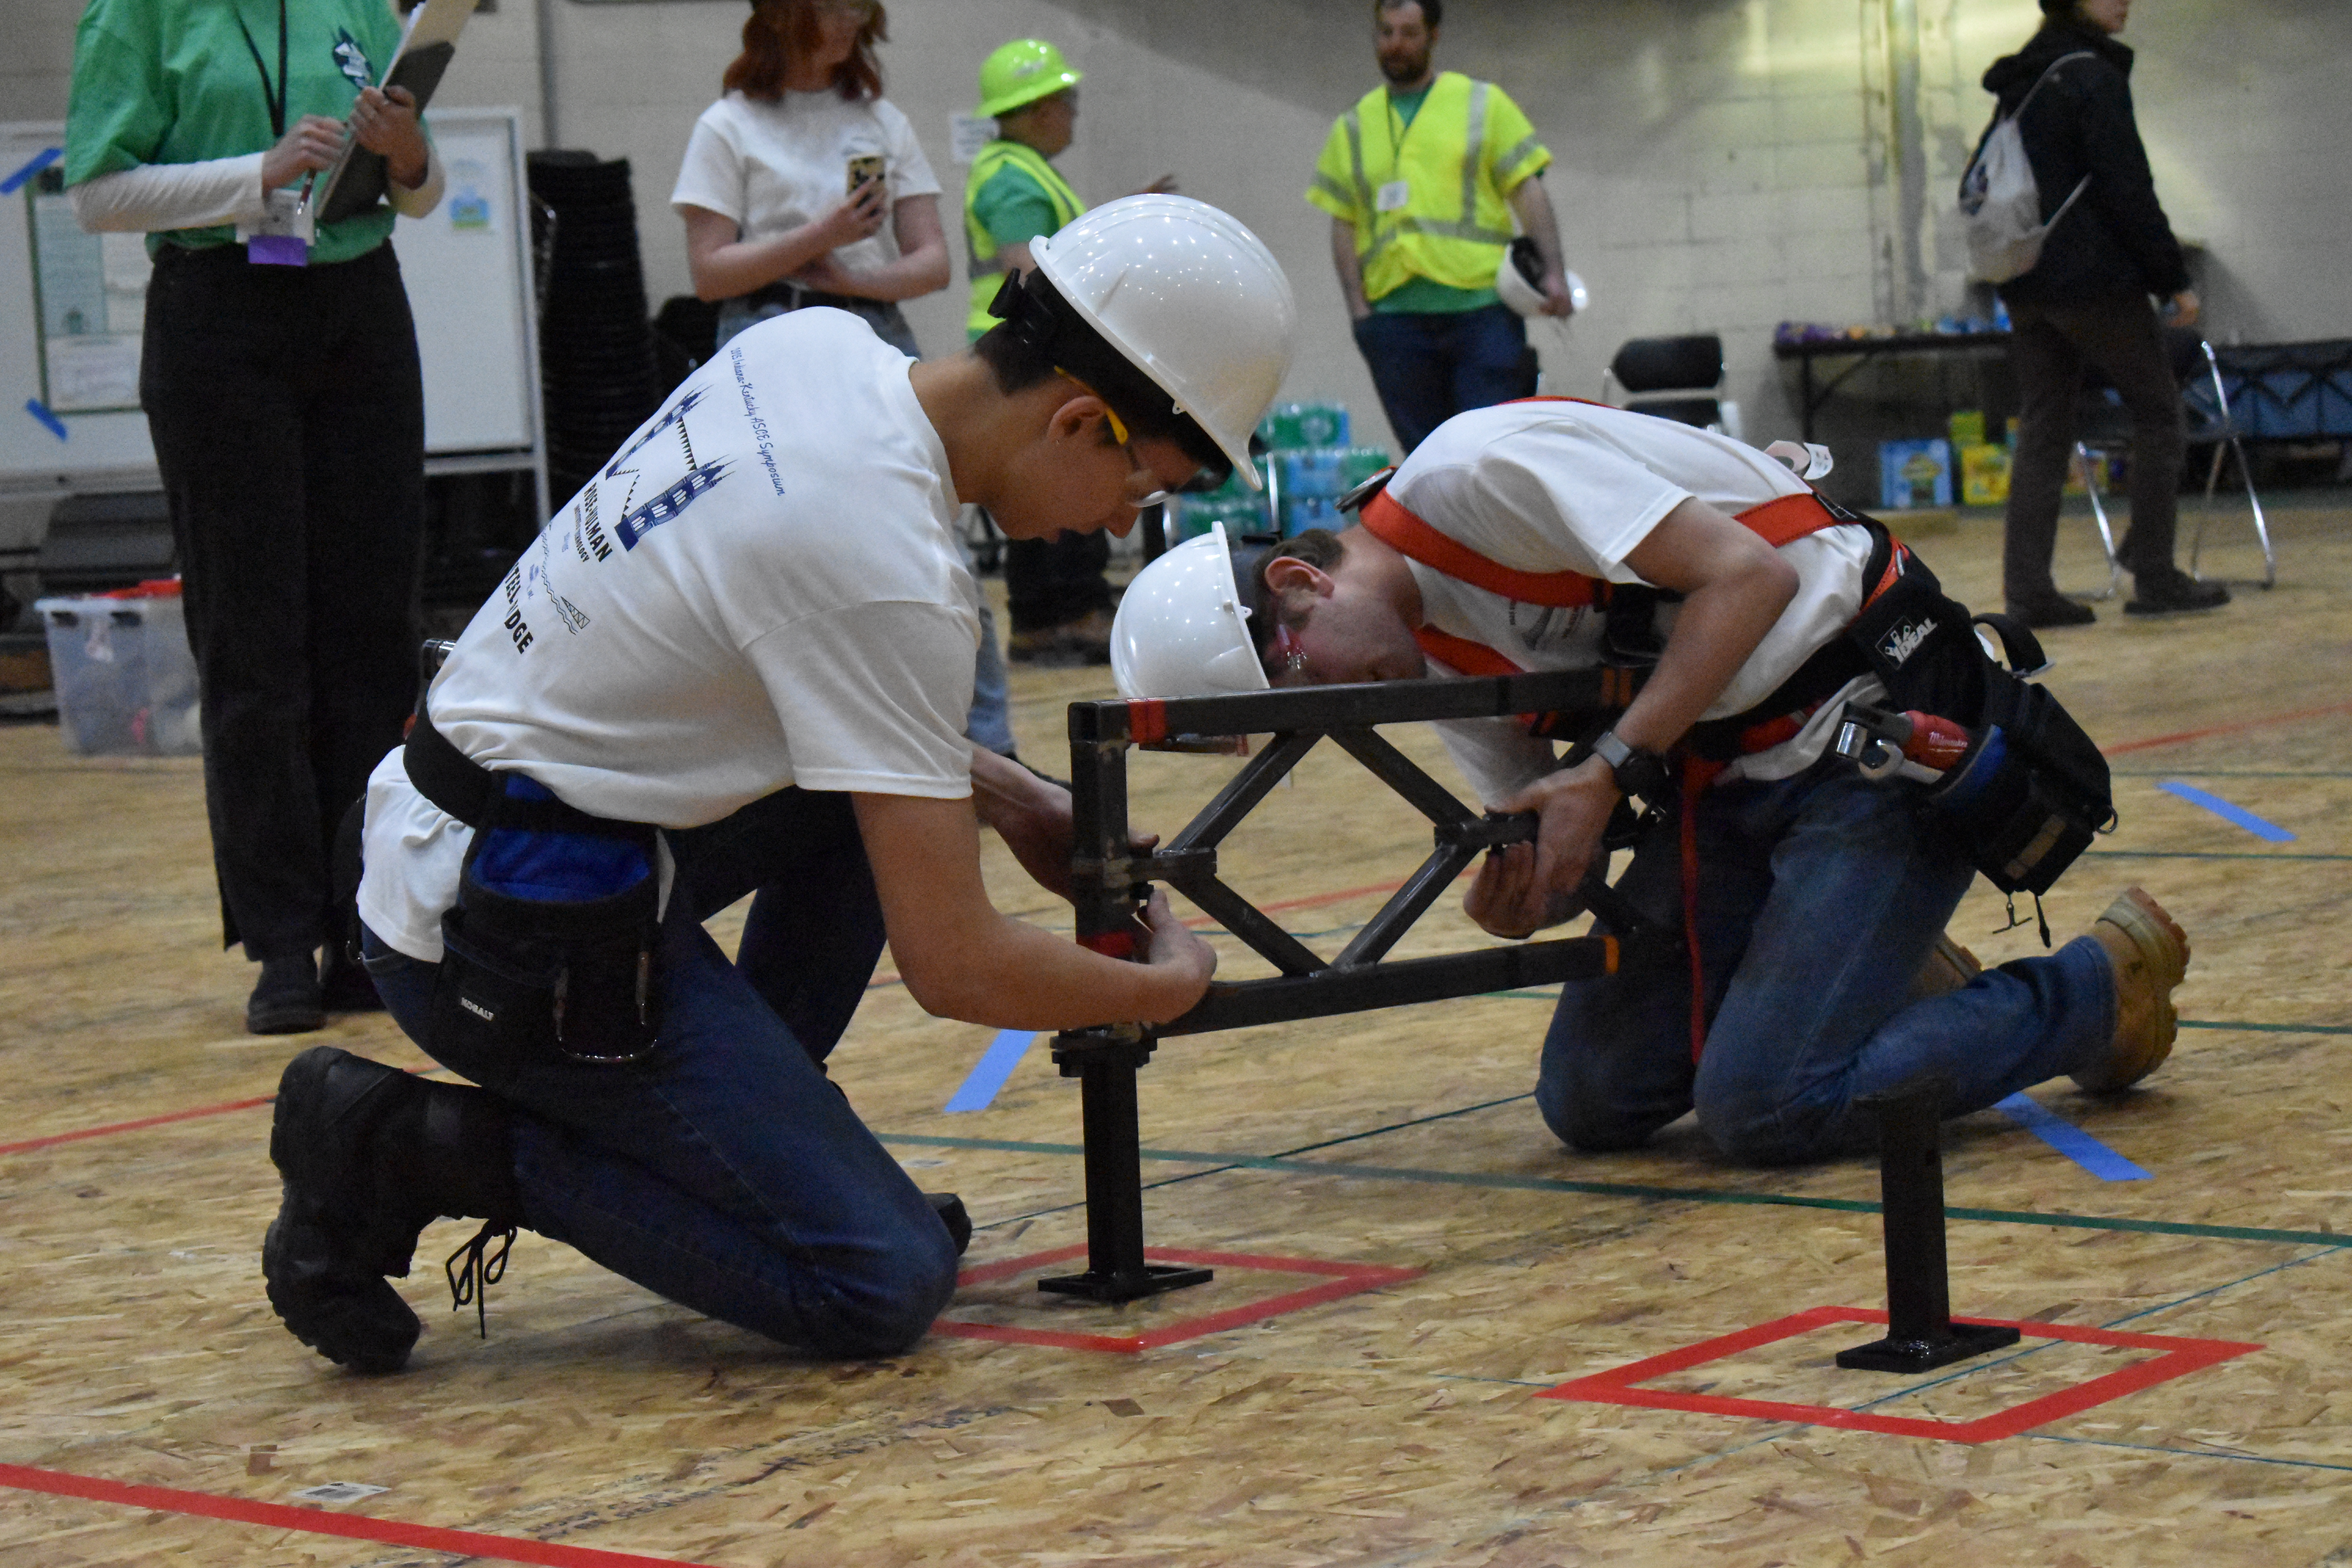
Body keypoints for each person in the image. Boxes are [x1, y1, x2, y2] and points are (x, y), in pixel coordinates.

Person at [259, 195, 1296, 1375]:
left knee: (874, 808)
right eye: (1138, 490)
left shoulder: (811, 351)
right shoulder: (891, 573)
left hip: (464, 818)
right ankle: (405, 1143)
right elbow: (952, 965)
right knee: (875, 1280)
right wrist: (1163, 989)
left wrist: (1011, 799)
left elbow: (805, 660)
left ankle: (759, 1163)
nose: (1120, 521)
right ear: (1076, 421)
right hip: (499, 926)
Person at [1110, 399, 2194, 1167]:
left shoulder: (1478, 473)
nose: (1324, 717)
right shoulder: (1425, 655)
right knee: (1589, 1101)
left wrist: (1611, 766)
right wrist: (1530, 888)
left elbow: (1749, 575)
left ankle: (2093, 990)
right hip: (1724, 789)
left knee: (1767, 1109)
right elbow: (1549, 819)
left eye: (1298, 685)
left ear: (1302, 586)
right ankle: (1865, 965)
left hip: (1875, 741)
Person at [65, 0, 448, 1034]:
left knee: (372, 636)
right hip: (219, 315)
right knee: (253, 643)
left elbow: (421, 195)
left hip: (361, 309)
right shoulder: (136, 15)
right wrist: (259, 173)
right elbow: (97, 192)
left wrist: (409, 155)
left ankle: (369, 923)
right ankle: (282, 936)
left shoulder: (357, 5)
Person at [1981, 0, 2227, 626]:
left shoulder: (2023, 80)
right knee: (2159, 414)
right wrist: (2172, 279)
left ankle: (2029, 591)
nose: (2125, 0)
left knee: (2044, 430)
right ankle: (2155, 575)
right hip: (2095, 282)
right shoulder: (2091, 74)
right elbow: (2127, 185)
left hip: (2026, 279)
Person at [963, 38, 1171, 667]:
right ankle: (1062, 616)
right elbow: (1030, 270)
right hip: (1033, 353)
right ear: (1033, 109)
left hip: (1032, 348)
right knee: (1063, 484)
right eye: (1065, 101)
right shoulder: (1011, 179)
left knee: (1053, 480)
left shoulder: (1023, 170)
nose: (1073, 112)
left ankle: (1055, 617)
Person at [1307, 0, 1573, 457]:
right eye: (1386, 32)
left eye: (1409, 33)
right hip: (1393, 323)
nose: (1395, 44)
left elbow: (1527, 190)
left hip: (1482, 311)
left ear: (1433, 36)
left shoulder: (1482, 104)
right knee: (1428, 463)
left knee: (1491, 452)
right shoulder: (1353, 125)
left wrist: (1554, 274)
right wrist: (1359, 312)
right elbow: (1343, 223)